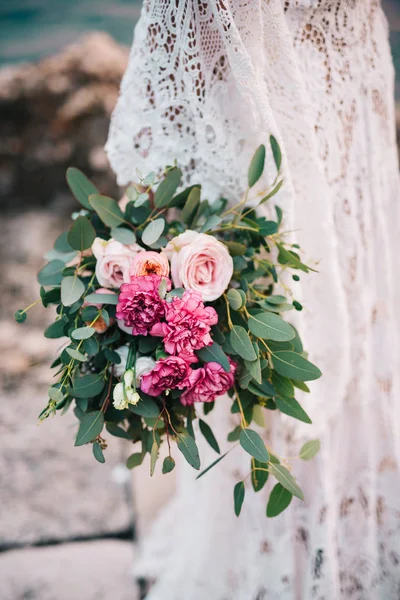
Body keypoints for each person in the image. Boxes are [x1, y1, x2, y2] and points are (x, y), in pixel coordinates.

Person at [106, 1, 400, 598]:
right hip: (342, 79)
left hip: (313, 111)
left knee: (283, 324)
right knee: (295, 319)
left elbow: (156, 139)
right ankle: (307, 529)